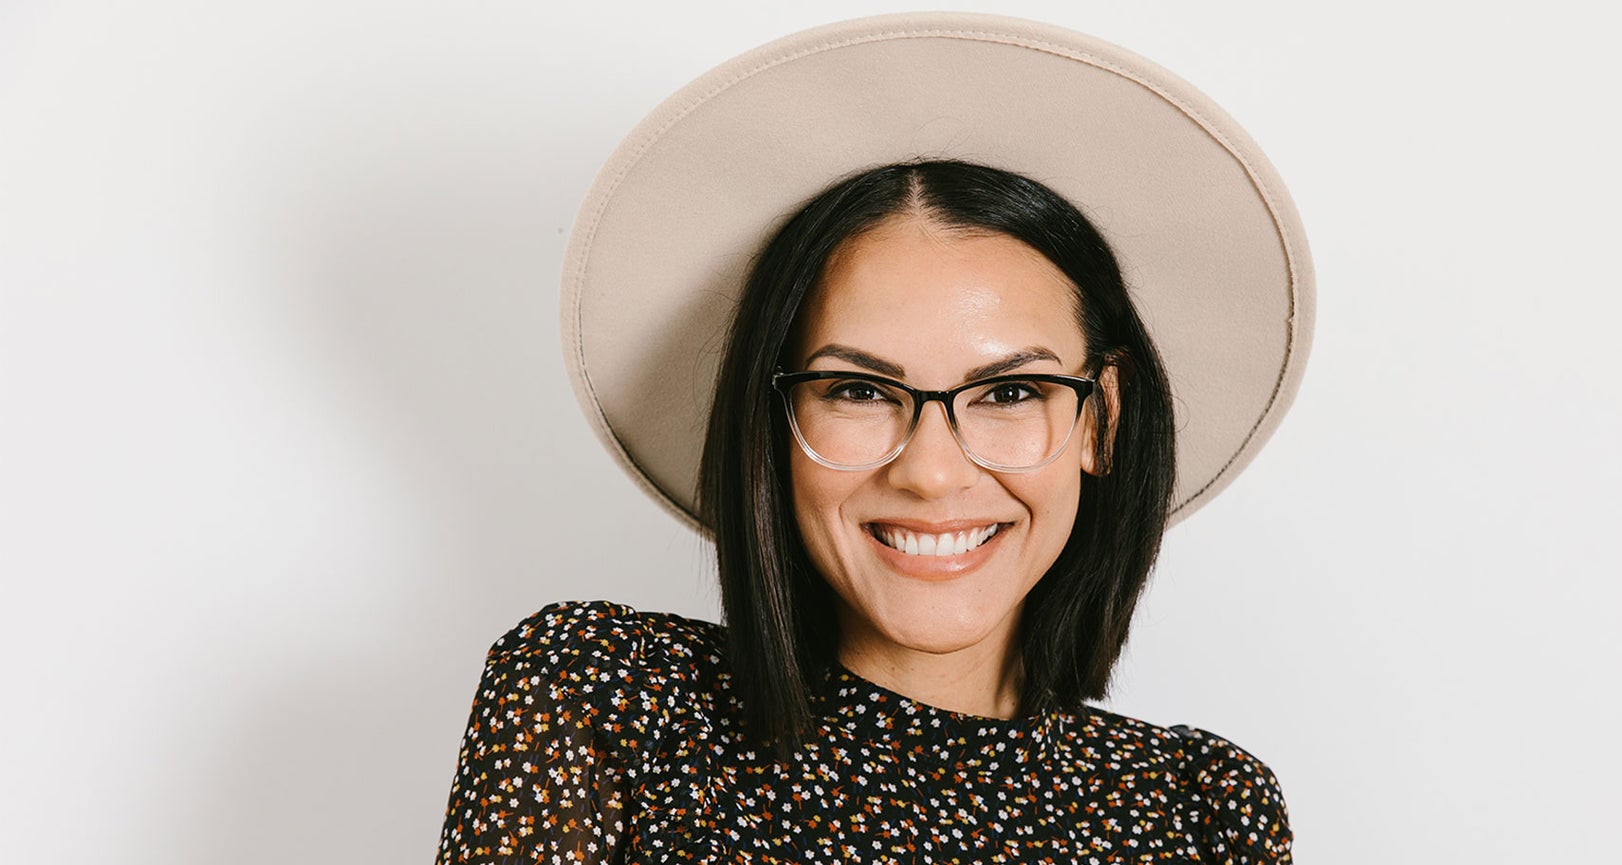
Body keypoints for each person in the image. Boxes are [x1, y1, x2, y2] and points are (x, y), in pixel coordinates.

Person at [434, 14, 1314, 864]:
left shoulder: (1202, 810)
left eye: (1010, 391)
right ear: (773, 421)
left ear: (1103, 419)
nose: (931, 471)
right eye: (859, 389)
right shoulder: (608, 698)